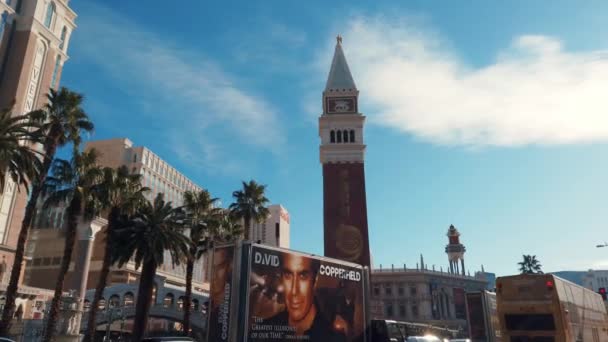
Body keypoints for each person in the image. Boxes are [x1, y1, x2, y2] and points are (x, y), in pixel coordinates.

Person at [254, 253, 346, 342]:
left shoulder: (334, 337)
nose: (294, 291)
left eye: (303, 276)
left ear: (315, 279)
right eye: (288, 275)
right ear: (282, 277)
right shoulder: (261, 331)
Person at [208, 247, 234, 342]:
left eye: (220, 267)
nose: (214, 275)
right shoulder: (212, 310)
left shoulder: (231, 312)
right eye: (214, 268)